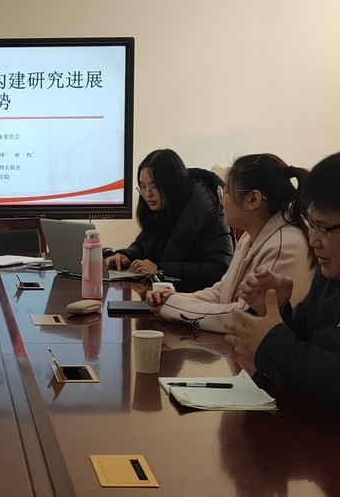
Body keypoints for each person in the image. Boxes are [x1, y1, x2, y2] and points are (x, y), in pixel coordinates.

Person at [146, 154, 315, 333]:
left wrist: (174, 306)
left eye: (225, 192)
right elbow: (222, 292)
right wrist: (175, 298)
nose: (221, 200)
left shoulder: (285, 245)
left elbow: (246, 317)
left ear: (253, 200)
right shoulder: (250, 236)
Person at [225, 152, 340, 412]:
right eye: (312, 224)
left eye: (324, 228)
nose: (313, 241)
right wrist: (275, 310)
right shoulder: (329, 275)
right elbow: (307, 338)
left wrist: (271, 339)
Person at [104, 149, 234, 292]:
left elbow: (220, 268)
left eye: (155, 186)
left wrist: (160, 269)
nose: (147, 194)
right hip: (164, 294)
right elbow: (144, 244)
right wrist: (126, 255)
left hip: (196, 298)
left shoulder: (206, 211)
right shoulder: (162, 207)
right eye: (142, 186)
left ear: (172, 185)